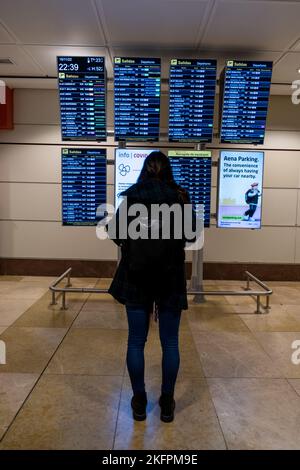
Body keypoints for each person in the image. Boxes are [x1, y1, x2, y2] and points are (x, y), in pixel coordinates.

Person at [107, 151, 197, 423]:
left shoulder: (133, 197)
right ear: (167, 170)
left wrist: (133, 247)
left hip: (136, 276)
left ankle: (139, 400)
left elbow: (115, 234)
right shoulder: (180, 197)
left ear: (145, 170)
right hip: (170, 278)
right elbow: (191, 235)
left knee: (136, 341)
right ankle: (167, 401)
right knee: (170, 343)